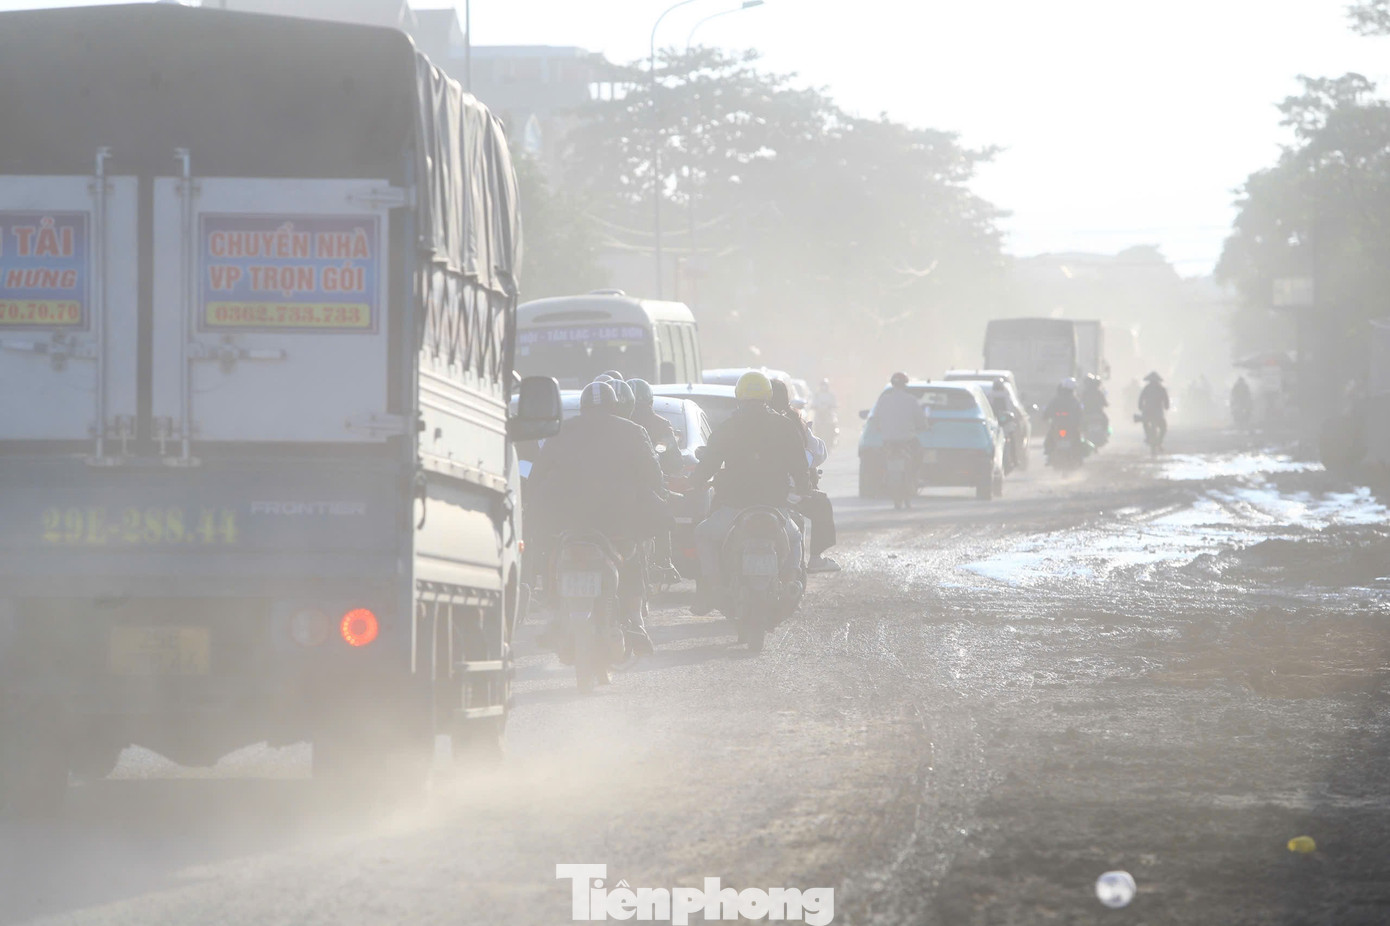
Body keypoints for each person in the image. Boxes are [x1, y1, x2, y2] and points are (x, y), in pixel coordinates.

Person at [528, 381, 668, 656]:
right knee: (632, 559)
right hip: (617, 523)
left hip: (571, 522)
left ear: (583, 407)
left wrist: (535, 505)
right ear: (615, 406)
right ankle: (636, 621)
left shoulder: (562, 431)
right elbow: (654, 476)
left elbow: (537, 475)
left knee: (552, 557)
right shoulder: (633, 431)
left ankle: (554, 616)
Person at [690, 371, 810, 614]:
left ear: (740, 396)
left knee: (703, 534)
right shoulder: (785, 426)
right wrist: (805, 488)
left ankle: (713, 587)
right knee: (796, 537)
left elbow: (709, 462)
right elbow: (799, 465)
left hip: (734, 508)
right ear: (768, 395)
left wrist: (696, 481)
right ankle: (790, 583)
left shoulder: (729, 426)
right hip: (775, 507)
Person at [771, 379, 839, 573]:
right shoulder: (792, 421)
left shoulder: (745, 422)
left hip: (754, 492)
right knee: (822, 504)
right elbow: (816, 454)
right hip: (787, 493)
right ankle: (815, 558)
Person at [628, 378, 684, 583]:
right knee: (661, 513)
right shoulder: (660, 425)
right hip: (651, 486)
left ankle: (663, 561)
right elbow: (675, 461)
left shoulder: (618, 425)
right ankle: (664, 561)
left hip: (625, 486)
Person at [1043, 378, 1083, 456]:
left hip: (1061, 426)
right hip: (1067, 426)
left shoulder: (1056, 399)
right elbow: (1080, 413)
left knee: (1049, 438)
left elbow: (1047, 411)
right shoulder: (1074, 400)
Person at [1138, 371, 1170, 449]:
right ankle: (1159, 441)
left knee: (1145, 424)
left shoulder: (1147, 388)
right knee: (1163, 428)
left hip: (1148, 411)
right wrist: (1166, 406)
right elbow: (1166, 400)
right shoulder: (1161, 389)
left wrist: (1140, 407)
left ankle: (1149, 437)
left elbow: (1141, 399)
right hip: (1157, 412)